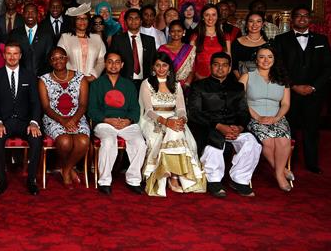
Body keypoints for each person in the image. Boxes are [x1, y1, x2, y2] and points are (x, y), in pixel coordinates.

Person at [188, 52, 260, 198]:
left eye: (224, 65)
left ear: (229, 68)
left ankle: (240, 180)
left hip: (233, 129)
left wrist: (239, 127)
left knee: (252, 142)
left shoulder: (237, 87)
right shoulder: (198, 86)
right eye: (216, 65)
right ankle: (213, 181)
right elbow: (194, 113)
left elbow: (244, 112)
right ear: (210, 67)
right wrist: (219, 126)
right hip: (208, 128)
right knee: (215, 141)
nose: (220, 68)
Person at [273, 6, 331, 174]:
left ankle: (311, 163)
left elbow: (328, 67)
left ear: (310, 19)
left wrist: (313, 87)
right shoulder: (281, 39)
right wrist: (293, 86)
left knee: (311, 129)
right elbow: (278, 66)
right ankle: (287, 163)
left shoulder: (321, 39)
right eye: (298, 16)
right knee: (288, 128)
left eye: (305, 16)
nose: (302, 18)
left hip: (313, 93)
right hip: (289, 93)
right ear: (292, 19)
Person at [138, 53, 206, 196]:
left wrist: (182, 120)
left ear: (169, 68)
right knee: (172, 132)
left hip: (174, 119)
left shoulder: (176, 85)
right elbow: (149, 111)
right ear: (153, 67)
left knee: (177, 131)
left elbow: (181, 109)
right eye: (158, 65)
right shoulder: (147, 83)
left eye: (164, 65)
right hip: (153, 120)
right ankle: (174, 178)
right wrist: (166, 122)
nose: (161, 69)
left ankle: (171, 176)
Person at [88, 52, 146, 195]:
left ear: (122, 65)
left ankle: (133, 180)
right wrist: (107, 120)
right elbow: (91, 110)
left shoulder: (129, 85)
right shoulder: (96, 84)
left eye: (117, 62)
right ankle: (104, 181)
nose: (113, 65)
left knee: (140, 143)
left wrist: (128, 120)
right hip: (104, 123)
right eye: (110, 61)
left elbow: (135, 109)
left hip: (125, 122)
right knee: (108, 141)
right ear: (105, 64)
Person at [0, 42, 42, 195]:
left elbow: (35, 102)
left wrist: (34, 122)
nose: (12, 57)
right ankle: (2, 180)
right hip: (4, 122)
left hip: (25, 122)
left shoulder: (29, 76)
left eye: (15, 53)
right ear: (4, 55)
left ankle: (31, 180)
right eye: (9, 53)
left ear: (20, 55)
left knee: (36, 139)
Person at [239, 46, 293, 191]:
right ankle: (281, 173)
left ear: (274, 60)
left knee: (283, 140)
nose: (266, 60)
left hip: (277, 116)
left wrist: (277, 118)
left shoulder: (282, 79)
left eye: (269, 57)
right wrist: (257, 117)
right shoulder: (246, 76)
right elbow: (240, 101)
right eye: (262, 57)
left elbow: (286, 104)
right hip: (253, 116)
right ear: (256, 60)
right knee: (268, 141)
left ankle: (278, 172)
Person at [39, 47, 90, 188]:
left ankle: (66, 168)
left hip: (77, 117)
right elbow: (46, 107)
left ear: (66, 59)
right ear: (50, 62)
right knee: (65, 142)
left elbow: (83, 104)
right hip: (54, 118)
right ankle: (68, 170)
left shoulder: (81, 78)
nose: (58, 61)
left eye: (61, 57)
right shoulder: (43, 80)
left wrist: (73, 120)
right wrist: (63, 121)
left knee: (83, 141)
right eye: (54, 59)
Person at [57, 3, 105, 83]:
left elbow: (102, 59)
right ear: (74, 21)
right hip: (71, 81)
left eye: (85, 18)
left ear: (88, 20)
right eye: (78, 18)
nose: (82, 21)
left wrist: (93, 75)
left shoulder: (97, 38)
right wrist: (74, 77)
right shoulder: (65, 37)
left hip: (93, 81)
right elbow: (60, 59)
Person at [108, 9, 155, 88]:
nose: (133, 21)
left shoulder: (149, 40)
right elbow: (112, 59)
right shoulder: (117, 39)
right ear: (126, 22)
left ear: (141, 21)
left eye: (136, 18)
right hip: (123, 82)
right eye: (130, 18)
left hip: (145, 82)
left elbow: (153, 62)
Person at [8, 3, 55, 77]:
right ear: (23, 14)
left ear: (37, 14)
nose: (30, 15)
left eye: (33, 12)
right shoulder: (14, 34)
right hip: (20, 77)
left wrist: (44, 77)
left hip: (42, 78)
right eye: (27, 12)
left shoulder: (47, 34)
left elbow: (50, 58)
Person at [190, 4, 230, 81]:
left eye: (213, 15)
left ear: (217, 17)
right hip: (200, 77)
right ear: (202, 17)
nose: (210, 18)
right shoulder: (195, 36)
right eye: (207, 15)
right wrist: (197, 75)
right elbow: (191, 60)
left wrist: (224, 77)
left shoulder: (225, 36)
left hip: (220, 78)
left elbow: (228, 57)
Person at [158, 20, 196, 89]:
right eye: (173, 31)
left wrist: (187, 84)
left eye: (179, 31)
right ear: (169, 33)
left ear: (184, 32)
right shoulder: (162, 48)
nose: (176, 33)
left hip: (185, 86)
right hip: (166, 84)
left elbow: (192, 69)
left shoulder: (189, 49)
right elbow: (159, 68)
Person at [231, 11, 269, 78]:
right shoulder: (237, 42)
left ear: (263, 24)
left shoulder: (268, 43)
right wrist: (242, 81)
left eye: (258, 21)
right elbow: (234, 66)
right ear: (246, 24)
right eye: (251, 21)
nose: (254, 24)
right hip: (241, 80)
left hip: (263, 80)